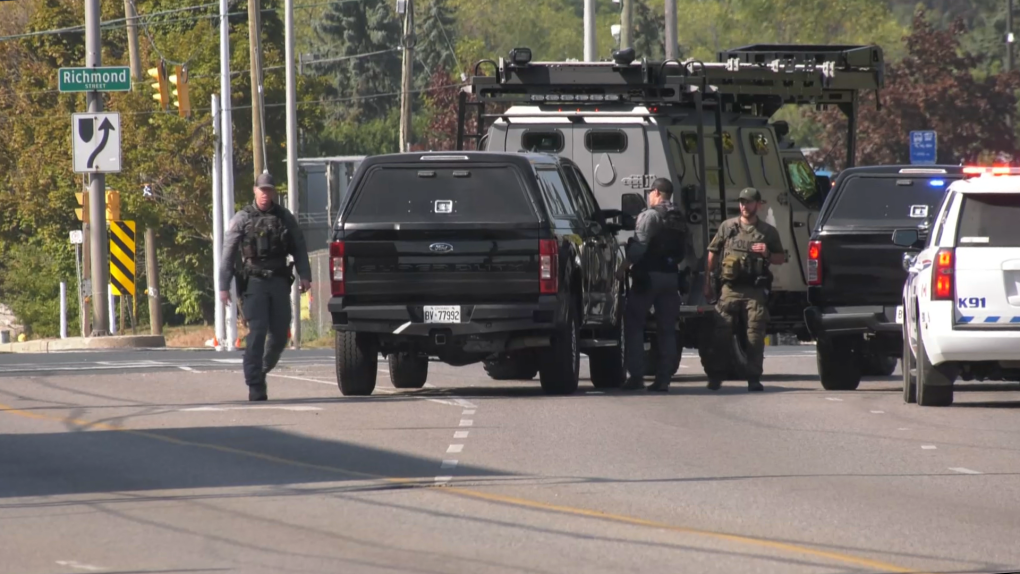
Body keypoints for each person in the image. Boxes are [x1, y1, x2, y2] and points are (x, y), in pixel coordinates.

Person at [220, 172, 311, 401]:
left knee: (280, 334)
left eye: (269, 190)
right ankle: (255, 384)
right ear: (255, 190)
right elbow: (228, 253)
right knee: (258, 332)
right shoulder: (242, 218)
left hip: (279, 281)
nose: (265, 194)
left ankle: (261, 369)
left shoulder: (284, 217)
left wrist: (305, 275)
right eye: (262, 190)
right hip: (255, 282)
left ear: (273, 192)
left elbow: (299, 245)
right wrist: (223, 286)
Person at [703, 187, 786, 392]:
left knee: (754, 336)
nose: (744, 206)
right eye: (742, 202)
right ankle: (716, 376)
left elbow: (780, 258)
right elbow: (713, 253)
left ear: (758, 204)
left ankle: (753, 377)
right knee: (721, 334)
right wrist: (707, 281)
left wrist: (767, 253)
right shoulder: (728, 227)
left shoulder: (767, 232)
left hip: (754, 290)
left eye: (749, 202)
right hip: (730, 289)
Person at [619, 178, 689, 392]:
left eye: (650, 192)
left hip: (648, 276)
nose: (649, 195)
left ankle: (636, 376)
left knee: (634, 324)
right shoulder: (678, 217)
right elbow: (685, 249)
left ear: (657, 192)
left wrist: (622, 267)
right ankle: (664, 378)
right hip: (671, 277)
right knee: (667, 329)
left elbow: (639, 248)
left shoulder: (650, 215)